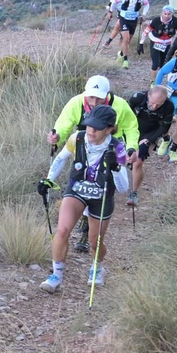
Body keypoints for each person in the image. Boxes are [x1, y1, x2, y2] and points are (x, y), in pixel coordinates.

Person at [37, 104, 129, 292]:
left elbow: (123, 187)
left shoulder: (118, 147)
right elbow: (61, 158)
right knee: (62, 230)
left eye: (97, 128)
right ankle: (56, 276)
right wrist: (48, 180)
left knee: (96, 242)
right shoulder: (77, 138)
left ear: (110, 128)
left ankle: (98, 267)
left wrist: (116, 167)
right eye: (88, 125)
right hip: (76, 190)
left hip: (102, 197)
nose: (91, 131)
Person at [49, 75, 140, 250]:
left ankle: (91, 228)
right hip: (83, 146)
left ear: (107, 94)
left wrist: (130, 148)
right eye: (91, 97)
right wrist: (57, 136)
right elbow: (64, 122)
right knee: (84, 184)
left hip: (112, 150)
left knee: (103, 188)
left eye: (99, 98)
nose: (94, 101)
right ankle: (85, 227)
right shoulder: (76, 103)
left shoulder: (120, 106)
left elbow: (131, 127)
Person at [125, 85, 174, 204]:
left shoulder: (169, 106)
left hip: (151, 132)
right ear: (149, 95)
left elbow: (165, 126)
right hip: (132, 129)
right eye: (153, 102)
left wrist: (149, 140)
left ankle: (134, 193)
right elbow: (124, 114)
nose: (155, 106)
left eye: (159, 103)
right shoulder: (138, 98)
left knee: (138, 161)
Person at [106, 0, 149, 69]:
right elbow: (114, 1)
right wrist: (110, 11)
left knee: (128, 41)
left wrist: (144, 15)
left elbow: (147, 5)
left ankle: (121, 54)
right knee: (125, 39)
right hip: (123, 19)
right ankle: (125, 60)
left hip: (133, 20)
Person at [143, 6, 177, 71]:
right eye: (165, 14)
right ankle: (153, 80)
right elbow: (146, 31)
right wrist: (141, 43)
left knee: (163, 63)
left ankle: (159, 77)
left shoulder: (176, 21)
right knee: (155, 64)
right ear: (162, 13)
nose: (166, 16)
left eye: (169, 14)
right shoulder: (156, 20)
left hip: (167, 43)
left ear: (172, 14)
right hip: (155, 41)